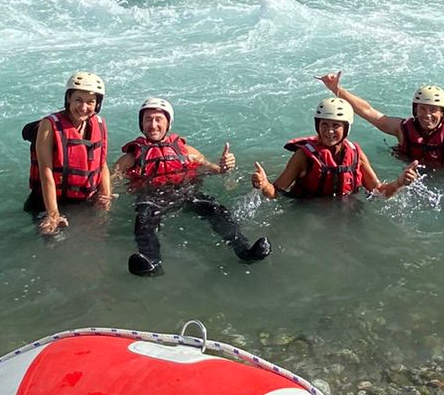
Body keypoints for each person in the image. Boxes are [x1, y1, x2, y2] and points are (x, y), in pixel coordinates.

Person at [117, 98, 272, 275]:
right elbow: (110, 178)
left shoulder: (187, 151)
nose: (153, 125)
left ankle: (244, 250)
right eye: (148, 119)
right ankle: (152, 262)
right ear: (141, 124)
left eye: (158, 119)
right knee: (143, 219)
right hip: (152, 199)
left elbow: (213, 169)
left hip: (186, 193)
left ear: (168, 123)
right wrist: (103, 196)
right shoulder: (131, 158)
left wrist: (225, 166)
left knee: (216, 210)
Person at [251, 94, 420, 200]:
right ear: (317, 125)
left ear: (346, 128)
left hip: (346, 210)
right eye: (324, 125)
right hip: (308, 212)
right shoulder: (303, 156)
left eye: (336, 126)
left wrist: (399, 182)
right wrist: (264, 185)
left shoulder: (356, 154)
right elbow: (276, 194)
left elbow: (380, 192)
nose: (329, 131)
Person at [24, 72, 111, 236]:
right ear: (68, 99)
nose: (84, 107)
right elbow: (46, 171)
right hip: (46, 200)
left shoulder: (99, 124)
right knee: (54, 240)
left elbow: (102, 163)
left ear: (97, 104)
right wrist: (53, 214)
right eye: (78, 100)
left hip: (82, 200)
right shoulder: (48, 125)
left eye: (90, 102)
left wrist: (105, 195)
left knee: (92, 240)